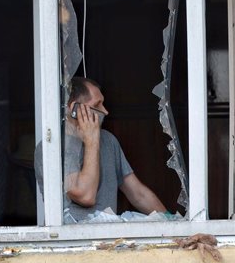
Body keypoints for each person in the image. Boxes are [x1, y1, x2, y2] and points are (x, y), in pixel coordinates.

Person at [35, 77, 167, 222]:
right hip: (73, 241)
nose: (105, 111)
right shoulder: (51, 148)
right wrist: (92, 141)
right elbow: (86, 196)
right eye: (97, 105)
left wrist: (171, 221)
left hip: (108, 239)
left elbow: (137, 193)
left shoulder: (108, 140)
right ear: (75, 109)